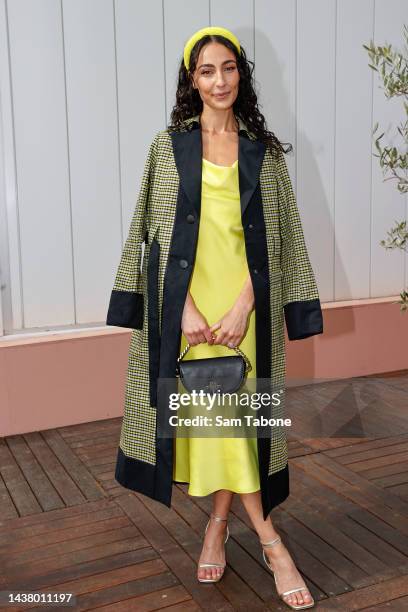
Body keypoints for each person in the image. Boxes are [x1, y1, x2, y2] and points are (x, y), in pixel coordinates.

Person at [106, 25, 322, 611]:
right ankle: (270, 542)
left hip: (242, 308)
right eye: (207, 71)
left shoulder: (265, 152)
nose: (220, 80)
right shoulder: (166, 147)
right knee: (217, 429)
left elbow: (285, 238)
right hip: (191, 312)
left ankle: (220, 528)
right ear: (191, 80)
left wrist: (250, 302)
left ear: (241, 74)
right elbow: (146, 232)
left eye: (229, 68)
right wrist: (180, 310)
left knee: (237, 429)